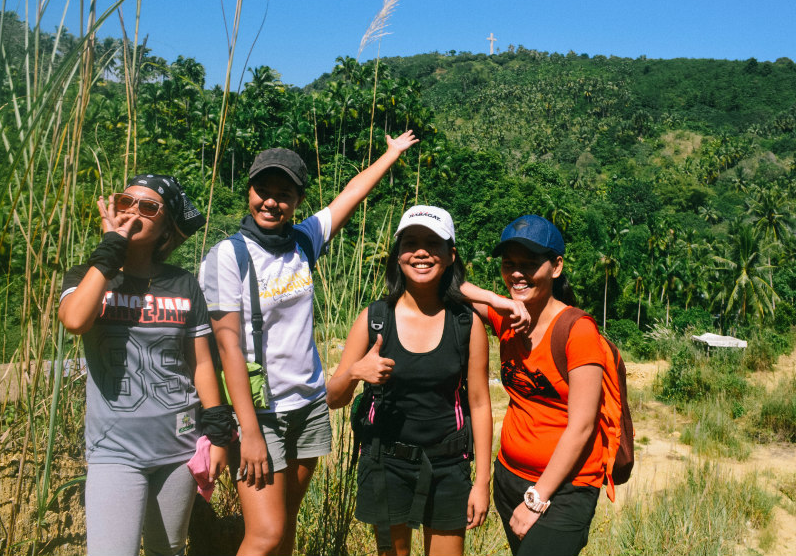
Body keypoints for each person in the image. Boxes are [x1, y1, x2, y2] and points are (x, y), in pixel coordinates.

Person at [199, 132, 418, 556]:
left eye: (284, 195)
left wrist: (390, 155)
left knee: (285, 528)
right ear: (249, 190)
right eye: (263, 191)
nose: (270, 202)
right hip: (261, 411)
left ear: (297, 201)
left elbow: (349, 196)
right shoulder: (228, 256)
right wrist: (248, 432)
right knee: (264, 534)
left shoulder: (302, 242)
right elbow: (228, 351)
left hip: (310, 405)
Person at [59, 174, 232, 556]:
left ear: (166, 227)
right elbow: (74, 320)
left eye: (149, 206)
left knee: (166, 550)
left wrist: (219, 431)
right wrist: (110, 252)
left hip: (179, 445)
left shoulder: (183, 284)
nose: (133, 211)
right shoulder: (87, 277)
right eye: (126, 201)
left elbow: (201, 363)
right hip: (114, 450)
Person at [327, 205, 493, 556]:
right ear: (398, 255)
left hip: (449, 465)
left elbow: (479, 403)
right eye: (411, 242)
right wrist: (357, 372)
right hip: (386, 464)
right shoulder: (374, 318)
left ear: (450, 256)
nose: (421, 251)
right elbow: (333, 397)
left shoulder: (467, 323)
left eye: (433, 243)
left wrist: (482, 482)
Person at [469, 215, 608, 556]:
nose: (517, 274)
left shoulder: (578, 331)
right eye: (509, 263)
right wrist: (498, 301)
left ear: (556, 266)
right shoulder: (506, 316)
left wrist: (537, 498)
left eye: (529, 264)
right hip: (509, 478)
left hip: (564, 489)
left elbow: (583, 426)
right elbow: (445, 281)